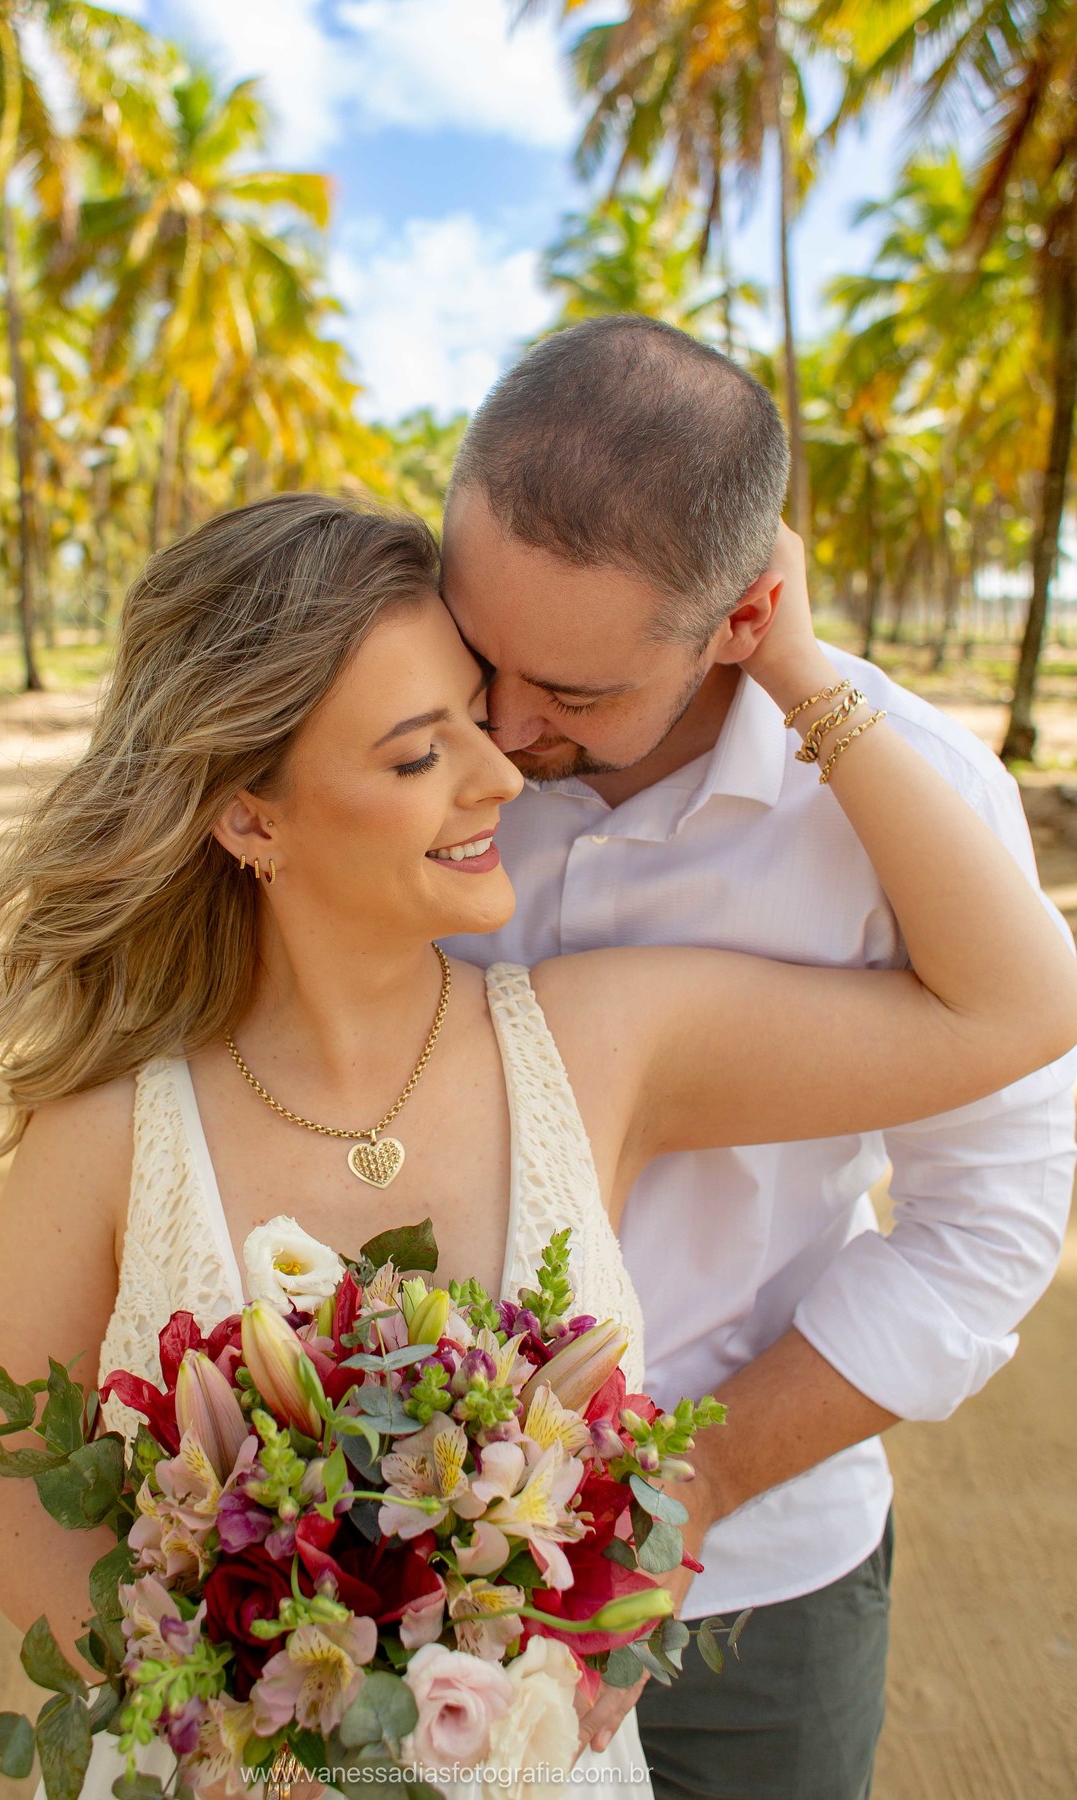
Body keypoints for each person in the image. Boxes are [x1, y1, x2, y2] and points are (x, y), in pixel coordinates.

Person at [0, 491, 1072, 1800]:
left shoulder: (599, 1040)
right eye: (415, 757)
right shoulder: (112, 1120)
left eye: (477, 718)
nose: (502, 774)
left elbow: (1016, 1003)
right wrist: (214, 1719)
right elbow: (2, 1474)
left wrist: (791, 659)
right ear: (251, 818)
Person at [437, 313, 1077, 1799]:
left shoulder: (911, 804)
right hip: (427, 1570)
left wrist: (701, 1479)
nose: (509, 728)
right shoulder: (418, 731)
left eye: (578, 696)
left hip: (759, 1587)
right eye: (485, 654)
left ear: (743, 617)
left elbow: (984, 1233)